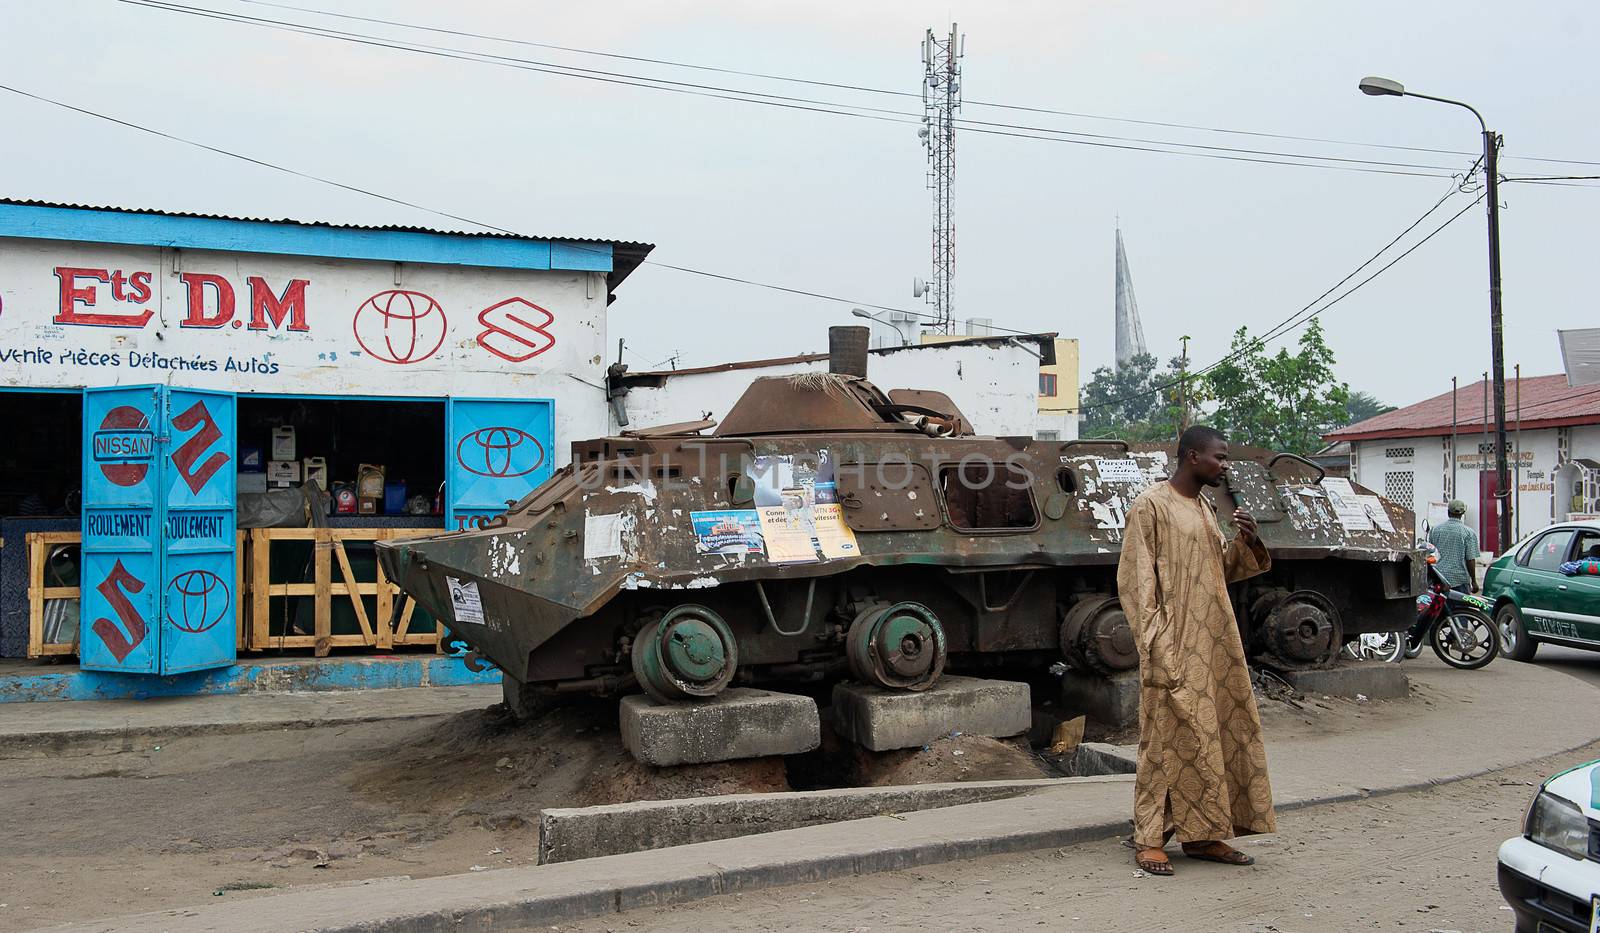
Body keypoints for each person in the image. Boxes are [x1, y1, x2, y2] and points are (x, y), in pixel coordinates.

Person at [1116, 425, 1276, 876]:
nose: (1225, 466)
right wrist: (1155, 645)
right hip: (1172, 645)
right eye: (1219, 458)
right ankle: (1148, 838)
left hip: (1214, 644)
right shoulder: (1151, 505)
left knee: (1211, 738)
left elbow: (1220, 569)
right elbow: (1136, 582)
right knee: (1164, 740)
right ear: (1191, 457)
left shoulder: (1205, 507)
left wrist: (1247, 541)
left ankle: (1204, 835)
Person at [1427, 500, 1479, 593]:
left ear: (1448, 512)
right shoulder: (1469, 533)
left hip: (1439, 578)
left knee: (1439, 607)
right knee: (1460, 607)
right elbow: (1470, 559)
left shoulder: (1435, 530)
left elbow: (1430, 554)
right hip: (1460, 580)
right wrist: (1474, 581)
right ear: (1463, 513)